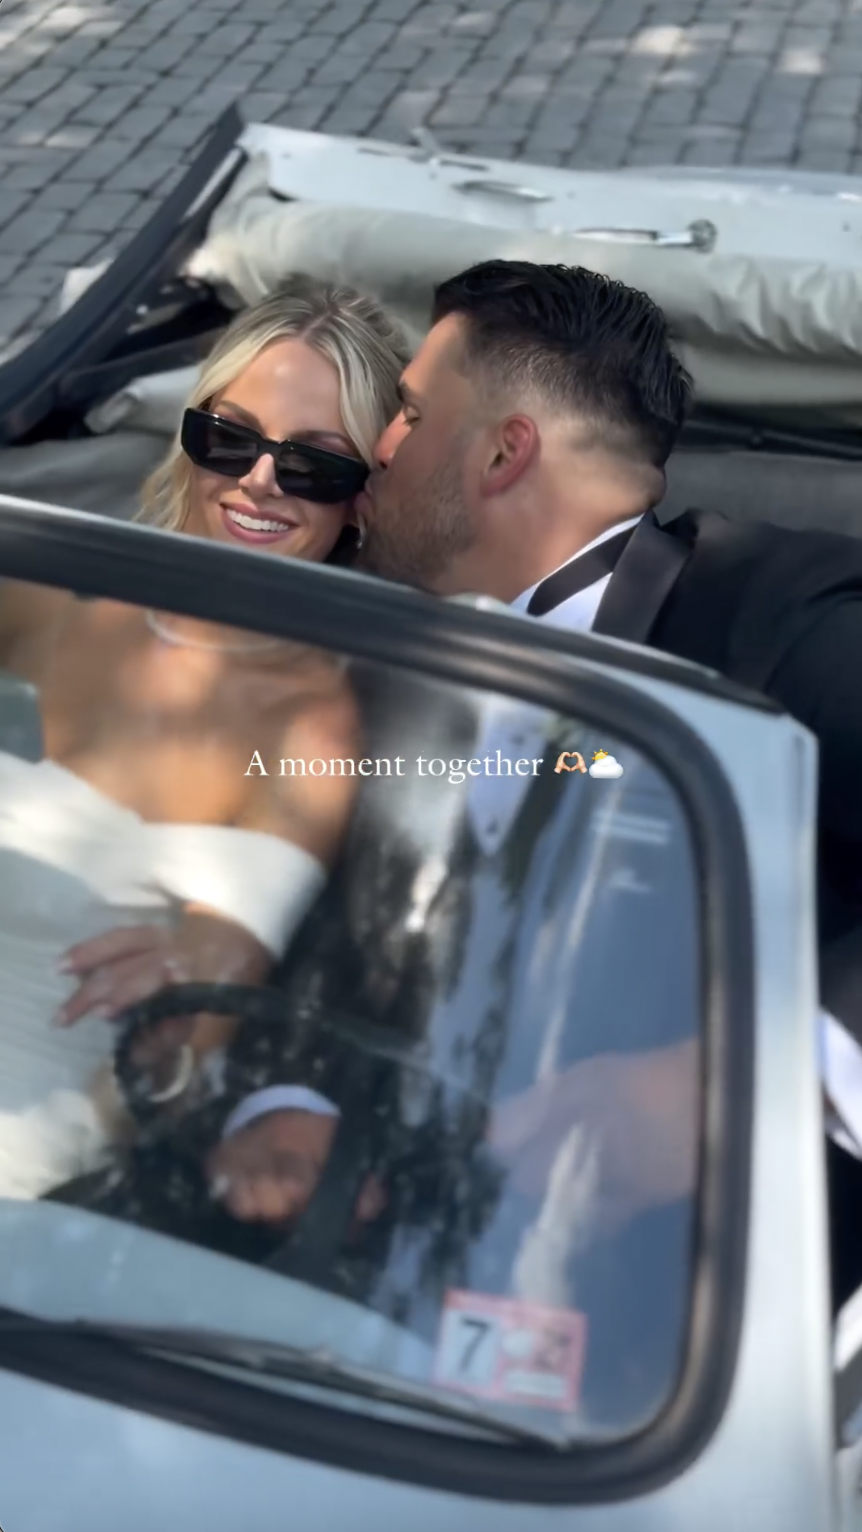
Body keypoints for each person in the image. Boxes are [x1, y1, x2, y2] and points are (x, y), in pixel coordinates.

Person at [204, 260, 862, 1276]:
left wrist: (751, 1075)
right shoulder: (370, 662)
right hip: (384, 1262)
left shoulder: (787, 628)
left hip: (728, 1299)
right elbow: (333, 928)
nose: (380, 448)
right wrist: (285, 1097)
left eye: (411, 414)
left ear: (505, 452)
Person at [0, 275, 410, 1199]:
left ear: (364, 499)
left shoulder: (307, 722)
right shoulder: (57, 595)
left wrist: (202, 981)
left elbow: (203, 1006)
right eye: (229, 438)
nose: (259, 479)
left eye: (314, 465)